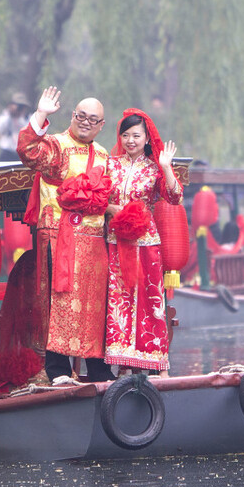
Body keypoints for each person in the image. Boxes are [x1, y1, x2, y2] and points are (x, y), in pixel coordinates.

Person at [17, 85, 114, 383]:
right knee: (58, 301)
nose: (85, 122)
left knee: (95, 305)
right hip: (60, 236)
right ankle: (57, 369)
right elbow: (28, 152)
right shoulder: (57, 146)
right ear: (72, 116)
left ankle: (98, 369)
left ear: (101, 125)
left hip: (94, 241)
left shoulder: (104, 154)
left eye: (92, 119)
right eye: (81, 116)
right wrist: (41, 114)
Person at [104, 109, 182, 376]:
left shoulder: (154, 168)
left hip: (146, 244)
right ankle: (124, 365)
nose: (130, 140)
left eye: (136, 135)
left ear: (147, 138)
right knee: (119, 301)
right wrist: (110, 208)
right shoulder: (110, 165)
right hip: (116, 242)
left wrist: (166, 167)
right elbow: (99, 198)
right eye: (125, 135)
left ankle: (158, 364)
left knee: (151, 302)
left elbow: (175, 197)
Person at [0, 92, 31, 161]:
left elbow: (30, 133)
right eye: (19, 106)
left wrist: (20, 117)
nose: (20, 109)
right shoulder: (5, 116)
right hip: (7, 151)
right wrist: (10, 115)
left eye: (22, 107)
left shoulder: (27, 118)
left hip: (22, 153)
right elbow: (0, 129)